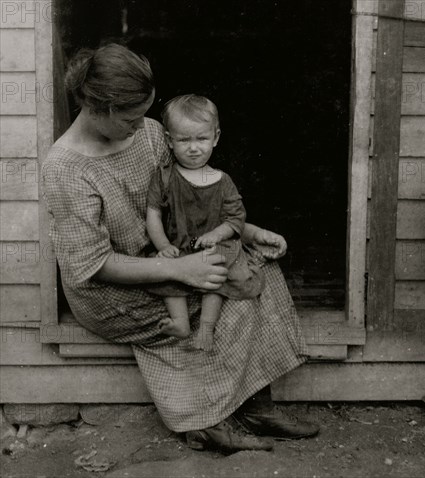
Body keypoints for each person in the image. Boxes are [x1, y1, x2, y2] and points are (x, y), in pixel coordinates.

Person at [42, 43, 319, 453]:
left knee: (252, 270)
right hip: (112, 291)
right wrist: (181, 270)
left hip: (170, 253)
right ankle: (208, 419)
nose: (143, 126)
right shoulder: (66, 169)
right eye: (133, 118)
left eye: (145, 114)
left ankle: (257, 405)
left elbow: (193, 202)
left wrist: (246, 232)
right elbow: (94, 265)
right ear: (98, 108)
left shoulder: (151, 135)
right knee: (226, 291)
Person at [145, 94, 264, 351]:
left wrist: (217, 235)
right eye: (184, 140)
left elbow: (235, 219)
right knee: (162, 268)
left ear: (216, 138)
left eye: (201, 138)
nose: (194, 147)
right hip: (178, 245)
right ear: (169, 140)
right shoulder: (164, 177)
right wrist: (163, 244)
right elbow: (153, 215)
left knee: (220, 273)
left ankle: (206, 330)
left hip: (212, 248)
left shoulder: (221, 181)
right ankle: (180, 323)